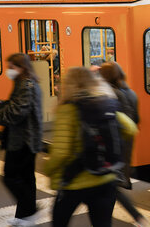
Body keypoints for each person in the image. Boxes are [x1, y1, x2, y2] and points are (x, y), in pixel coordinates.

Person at [43, 67, 138, 227]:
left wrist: (47, 169)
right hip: (105, 178)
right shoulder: (106, 103)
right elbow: (131, 128)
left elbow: (61, 152)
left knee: (59, 222)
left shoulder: (68, 109)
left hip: (74, 182)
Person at [0, 53, 44, 227]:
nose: (9, 71)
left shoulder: (26, 85)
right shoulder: (25, 83)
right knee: (26, 178)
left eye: (12, 67)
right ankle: (24, 215)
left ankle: (30, 210)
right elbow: (16, 104)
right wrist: (1, 104)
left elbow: (18, 112)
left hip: (23, 139)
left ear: (21, 68)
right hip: (26, 138)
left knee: (10, 176)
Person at [97, 62, 150, 226]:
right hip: (124, 146)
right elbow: (135, 120)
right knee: (111, 186)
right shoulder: (131, 93)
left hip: (113, 147)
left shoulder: (111, 94)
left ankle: (136, 217)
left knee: (109, 186)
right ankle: (133, 217)